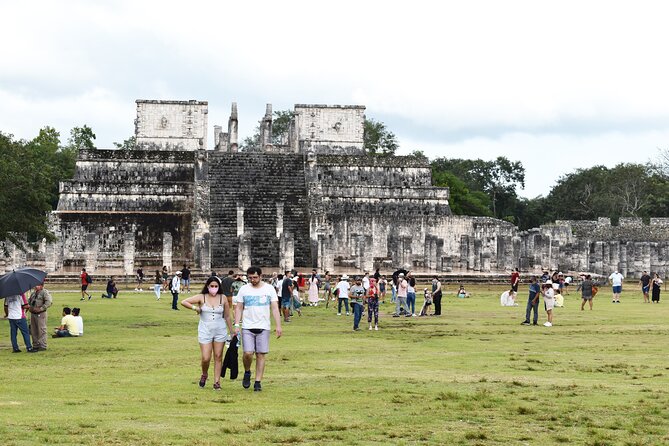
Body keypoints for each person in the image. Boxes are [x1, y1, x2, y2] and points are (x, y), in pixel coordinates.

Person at [233, 266, 282, 392]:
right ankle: (247, 371)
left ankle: (258, 381)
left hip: (263, 326)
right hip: (248, 326)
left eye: (255, 277)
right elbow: (238, 308)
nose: (253, 280)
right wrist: (237, 324)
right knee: (248, 353)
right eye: (250, 278)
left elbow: (275, 308)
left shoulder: (269, 288)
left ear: (260, 276)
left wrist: (278, 325)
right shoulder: (244, 289)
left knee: (261, 354)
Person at [181, 276, 233, 391]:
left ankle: (217, 382)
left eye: (216, 286)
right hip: (205, 329)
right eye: (211, 286)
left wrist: (232, 331)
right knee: (206, 357)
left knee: (218, 356)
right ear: (207, 286)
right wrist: (196, 308)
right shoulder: (202, 297)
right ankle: (204, 374)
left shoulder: (223, 298)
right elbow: (184, 302)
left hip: (220, 330)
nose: (214, 288)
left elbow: (228, 316)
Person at [28, 282, 52, 351]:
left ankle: (42, 345)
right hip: (33, 313)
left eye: (37, 285)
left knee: (41, 329)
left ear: (42, 286)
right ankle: (35, 345)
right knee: (33, 330)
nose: (35, 286)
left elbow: (49, 302)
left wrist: (40, 309)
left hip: (41, 314)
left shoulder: (45, 292)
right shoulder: (33, 293)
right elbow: (30, 302)